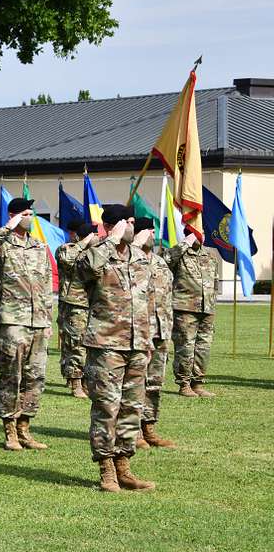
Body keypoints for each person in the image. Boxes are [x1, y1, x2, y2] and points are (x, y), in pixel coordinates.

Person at [76, 205, 155, 492]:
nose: (133, 225)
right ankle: (106, 470)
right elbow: (84, 271)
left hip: (136, 344)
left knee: (131, 408)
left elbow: (147, 301)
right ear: (112, 225)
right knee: (106, 408)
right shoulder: (96, 253)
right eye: (128, 221)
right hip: (106, 344)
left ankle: (124, 467)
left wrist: (147, 341)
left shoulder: (139, 257)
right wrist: (109, 240)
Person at [0, 197, 53, 451]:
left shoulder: (39, 247)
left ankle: (25, 429)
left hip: (38, 322)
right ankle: (9, 430)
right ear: (13, 216)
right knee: (12, 376)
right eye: (25, 213)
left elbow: (45, 286)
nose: (30, 217)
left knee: (35, 378)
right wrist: (7, 227)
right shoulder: (3, 246)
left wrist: (48, 320)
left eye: (32, 213)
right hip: (13, 321)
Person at [133, 217, 176, 449]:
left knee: (154, 383)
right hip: (139, 331)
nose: (152, 233)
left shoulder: (160, 262)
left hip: (161, 329)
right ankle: (133, 431)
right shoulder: (130, 259)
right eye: (148, 230)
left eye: (153, 230)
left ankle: (149, 427)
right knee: (136, 382)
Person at [166, 227, 221, 398]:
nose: (200, 236)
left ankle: (197, 383)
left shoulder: (210, 255)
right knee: (185, 348)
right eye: (195, 232)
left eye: (202, 232)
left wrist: (213, 303)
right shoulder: (179, 253)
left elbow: (215, 282)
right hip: (185, 308)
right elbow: (166, 260)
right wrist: (185, 243)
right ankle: (184, 384)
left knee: (203, 348)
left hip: (207, 308)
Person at [55, 221, 97, 399]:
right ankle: (75, 382)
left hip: (93, 305)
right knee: (76, 345)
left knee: (89, 346)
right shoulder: (68, 249)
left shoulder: (95, 254)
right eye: (93, 235)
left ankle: (85, 381)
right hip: (74, 305)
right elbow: (67, 258)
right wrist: (84, 242)